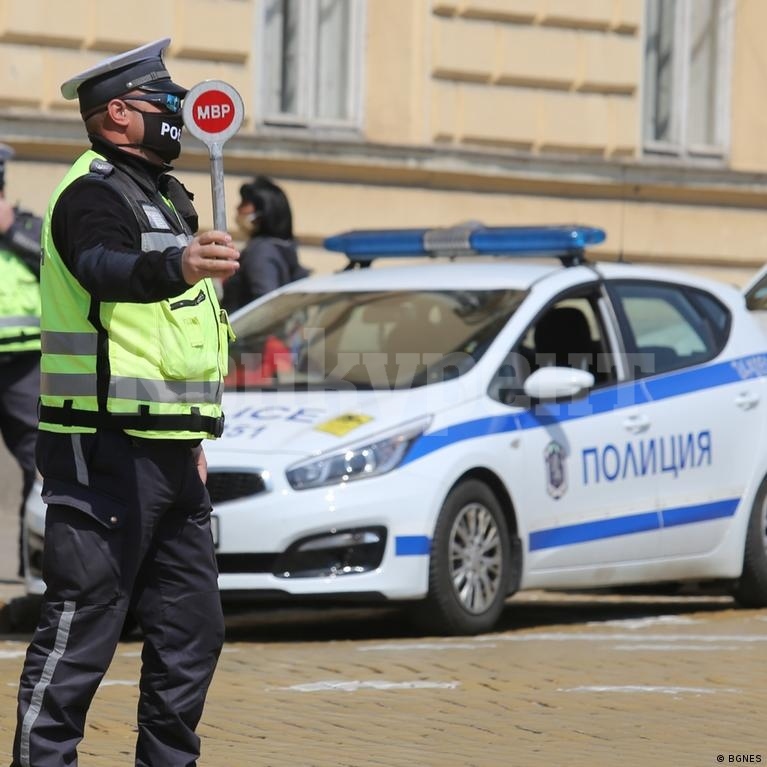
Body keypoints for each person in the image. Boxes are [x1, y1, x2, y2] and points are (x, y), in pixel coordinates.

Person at [10, 39, 240, 767]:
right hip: (102, 448)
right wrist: (178, 263)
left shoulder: (168, 194)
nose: (176, 115)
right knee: (83, 627)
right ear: (117, 115)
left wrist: (193, 436)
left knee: (192, 630)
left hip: (173, 450)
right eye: (163, 104)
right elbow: (103, 269)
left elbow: (173, 337)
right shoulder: (90, 192)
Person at [0, 142, 43, 579]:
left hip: (25, 363)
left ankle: (30, 572)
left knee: (38, 463)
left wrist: (12, 231)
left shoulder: (30, 226)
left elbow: (62, 269)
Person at [221, 174, 309, 312]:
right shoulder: (281, 246)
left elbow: (265, 305)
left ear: (263, 212)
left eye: (244, 204)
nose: (237, 208)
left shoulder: (261, 252)